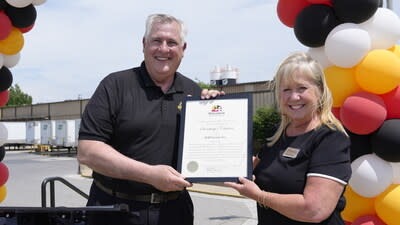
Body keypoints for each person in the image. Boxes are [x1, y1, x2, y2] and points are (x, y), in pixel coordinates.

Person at [77, 13, 220, 225]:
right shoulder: (115, 85)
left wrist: (217, 110)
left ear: (183, 49)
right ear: (144, 44)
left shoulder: (194, 93)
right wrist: (150, 174)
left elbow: (210, 153)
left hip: (174, 212)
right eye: (156, 41)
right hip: (114, 212)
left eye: (172, 42)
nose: (163, 49)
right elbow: (88, 152)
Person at [225, 52, 352, 225]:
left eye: (302, 88)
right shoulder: (277, 133)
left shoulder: (330, 138)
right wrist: (210, 107)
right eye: (286, 89)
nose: (294, 97)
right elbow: (253, 169)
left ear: (320, 90)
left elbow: (314, 210)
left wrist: (259, 196)